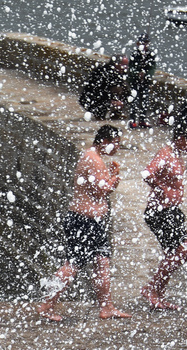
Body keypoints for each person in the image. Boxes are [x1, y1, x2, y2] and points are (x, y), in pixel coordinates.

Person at [37, 124, 130, 323]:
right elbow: (101, 191)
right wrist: (114, 177)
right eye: (116, 144)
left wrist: (110, 177)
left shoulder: (91, 156)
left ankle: (106, 306)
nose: (117, 148)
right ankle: (46, 305)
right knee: (74, 263)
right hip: (85, 221)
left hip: (88, 221)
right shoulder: (94, 160)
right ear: (104, 141)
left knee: (101, 261)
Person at [139, 119, 187, 312]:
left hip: (170, 210)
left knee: (174, 253)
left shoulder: (176, 153)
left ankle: (156, 291)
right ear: (181, 138)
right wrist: (161, 188)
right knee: (183, 251)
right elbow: (147, 173)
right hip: (161, 211)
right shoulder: (166, 153)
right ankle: (152, 289)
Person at [78, 55, 129, 120]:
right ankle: (99, 114)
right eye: (123, 64)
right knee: (101, 110)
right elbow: (99, 90)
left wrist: (120, 101)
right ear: (116, 64)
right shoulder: (102, 73)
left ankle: (116, 113)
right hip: (92, 98)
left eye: (126, 65)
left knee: (124, 90)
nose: (126, 67)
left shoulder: (121, 72)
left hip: (104, 96)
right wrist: (112, 101)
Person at [125, 34, 156, 128]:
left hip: (145, 82)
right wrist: (137, 73)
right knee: (134, 101)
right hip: (135, 81)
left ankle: (142, 120)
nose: (144, 45)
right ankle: (132, 120)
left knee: (144, 101)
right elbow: (131, 68)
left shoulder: (151, 54)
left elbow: (152, 68)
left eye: (146, 43)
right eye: (142, 43)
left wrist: (146, 74)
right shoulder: (135, 54)